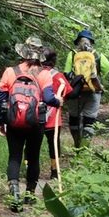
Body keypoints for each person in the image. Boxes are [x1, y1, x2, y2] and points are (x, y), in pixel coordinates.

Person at [0, 35, 58, 211]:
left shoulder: (10, 72)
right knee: (33, 157)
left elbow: (1, 100)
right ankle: (30, 195)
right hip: (36, 123)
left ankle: (14, 192)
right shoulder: (44, 74)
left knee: (14, 157)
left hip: (13, 121)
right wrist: (58, 101)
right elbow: (49, 98)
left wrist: (1, 122)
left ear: (23, 52)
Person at [63, 29, 109, 148]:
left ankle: (77, 145)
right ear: (91, 42)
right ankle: (84, 149)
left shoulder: (72, 54)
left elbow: (66, 74)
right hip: (93, 91)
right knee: (89, 121)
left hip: (75, 91)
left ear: (77, 42)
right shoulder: (97, 55)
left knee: (74, 118)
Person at [32, 46, 72, 196]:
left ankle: (28, 167)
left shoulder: (33, 73)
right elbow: (69, 92)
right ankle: (54, 171)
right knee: (53, 145)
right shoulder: (58, 75)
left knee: (32, 145)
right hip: (53, 118)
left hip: (34, 116)